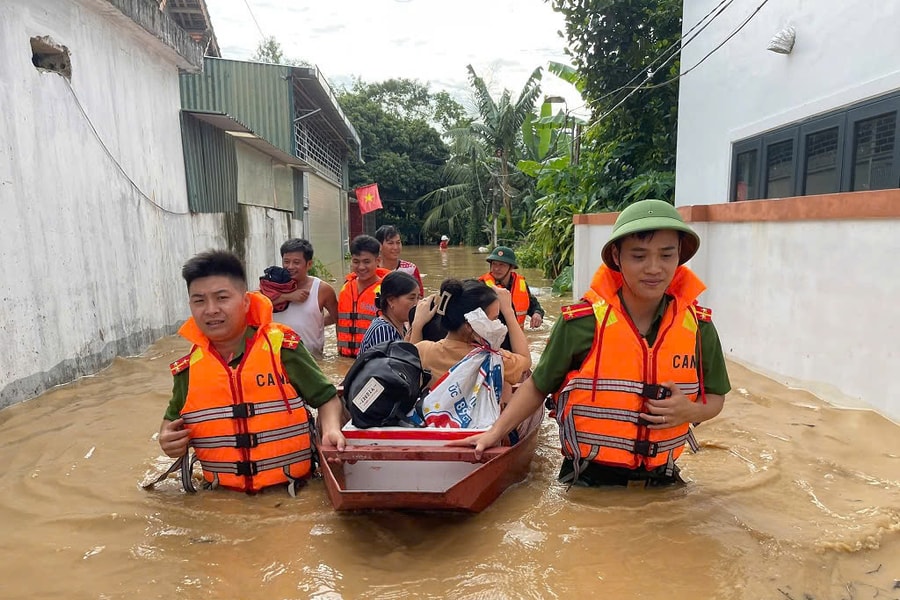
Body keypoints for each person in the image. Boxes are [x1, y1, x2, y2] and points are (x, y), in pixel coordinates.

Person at [453, 199, 731, 487]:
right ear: (616, 256)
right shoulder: (580, 323)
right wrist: (494, 432)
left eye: (666, 255)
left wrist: (693, 411)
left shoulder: (699, 327)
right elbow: (538, 386)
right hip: (587, 481)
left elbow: (716, 397)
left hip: (663, 480)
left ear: (679, 257)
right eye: (638, 256)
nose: (654, 268)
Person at [157, 250, 346, 493]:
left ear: (246, 301)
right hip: (220, 498)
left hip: (292, 493)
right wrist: (166, 440)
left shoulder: (282, 348)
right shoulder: (188, 370)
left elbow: (326, 397)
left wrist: (331, 430)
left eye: (222, 297)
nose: (211, 309)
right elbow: (170, 423)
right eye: (199, 300)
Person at [410, 278, 531, 388]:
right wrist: (509, 312)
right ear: (470, 325)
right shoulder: (494, 359)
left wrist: (416, 325)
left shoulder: (424, 351)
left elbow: (407, 359)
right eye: (494, 319)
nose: (497, 325)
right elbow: (526, 361)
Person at [269, 238, 338, 358]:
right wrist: (287, 296)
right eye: (286, 261)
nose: (290, 267)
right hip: (277, 360)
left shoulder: (322, 290)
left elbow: (339, 319)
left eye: (296, 262)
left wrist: (319, 323)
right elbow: (254, 303)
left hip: (312, 361)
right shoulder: (270, 286)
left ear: (309, 264)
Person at [478, 246, 545, 351]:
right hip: (492, 345)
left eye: (502, 265)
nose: (496, 268)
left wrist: (537, 313)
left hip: (517, 341)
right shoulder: (482, 286)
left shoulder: (521, 284)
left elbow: (532, 303)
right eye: (494, 264)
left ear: (511, 267)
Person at [336, 235, 389, 358]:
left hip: (373, 360)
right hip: (344, 358)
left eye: (366, 262)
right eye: (356, 261)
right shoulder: (347, 286)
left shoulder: (388, 290)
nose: (361, 267)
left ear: (378, 261)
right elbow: (337, 316)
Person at [359, 270, 420, 353]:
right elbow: (392, 365)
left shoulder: (401, 327)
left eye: (418, 298)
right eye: (411, 298)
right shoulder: (383, 330)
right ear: (391, 300)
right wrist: (418, 327)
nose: (417, 304)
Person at [374, 224, 424, 296]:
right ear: (379, 246)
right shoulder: (372, 270)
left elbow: (420, 297)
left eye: (398, 242)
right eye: (390, 243)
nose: (395, 247)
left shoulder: (410, 269)